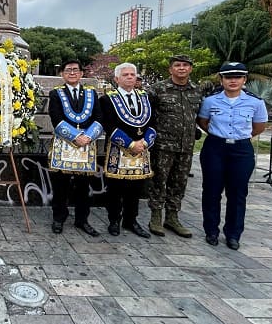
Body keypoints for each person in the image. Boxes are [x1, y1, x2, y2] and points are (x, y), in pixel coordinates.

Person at [197, 62, 267, 250]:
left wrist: (239, 138)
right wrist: (219, 135)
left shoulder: (256, 102)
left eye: (237, 77)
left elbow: (259, 126)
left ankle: (233, 234)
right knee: (211, 190)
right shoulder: (210, 101)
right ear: (221, 80)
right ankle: (211, 230)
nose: (233, 81)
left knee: (237, 193)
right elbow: (203, 122)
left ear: (244, 79)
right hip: (215, 147)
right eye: (228, 77)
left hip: (241, 150)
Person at [146, 54, 203, 238]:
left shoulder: (196, 91)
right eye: (177, 65)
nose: (181, 68)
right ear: (170, 69)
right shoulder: (157, 89)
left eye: (185, 65)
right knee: (158, 181)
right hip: (163, 146)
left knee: (179, 183)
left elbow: (198, 116)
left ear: (190, 69)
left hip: (186, 146)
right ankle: (156, 216)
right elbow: (146, 116)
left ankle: (172, 217)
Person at [46, 60, 103, 236]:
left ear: (81, 73)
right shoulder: (56, 94)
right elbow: (55, 117)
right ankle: (59, 218)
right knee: (60, 185)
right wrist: (75, 137)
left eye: (75, 70)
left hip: (86, 144)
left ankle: (82, 220)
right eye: (68, 70)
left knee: (83, 186)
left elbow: (98, 117)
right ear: (62, 74)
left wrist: (88, 137)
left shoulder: (91, 93)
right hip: (64, 143)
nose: (72, 73)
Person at [99, 62, 156, 238]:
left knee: (136, 189)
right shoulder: (107, 99)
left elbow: (153, 123)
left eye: (133, 74)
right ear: (117, 79)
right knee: (115, 189)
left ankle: (131, 220)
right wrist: (131, 144)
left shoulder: (145, 98)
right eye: (126, 75)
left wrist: (144, 143)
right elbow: (109, 125)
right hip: (118, 150)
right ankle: (114, 220)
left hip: (141, 150)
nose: (130, 77)